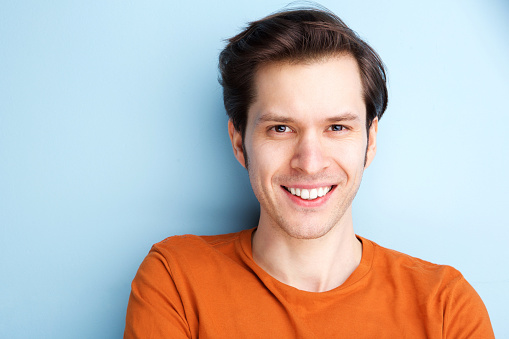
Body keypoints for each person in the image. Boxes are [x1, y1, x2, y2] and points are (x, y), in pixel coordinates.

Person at [124, 7, 494, 338]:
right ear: (239, 142)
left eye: (337, 128)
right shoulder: (177, 280)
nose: (310, 162)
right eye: (281, 128)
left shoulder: (446, 307)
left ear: (370, 139)